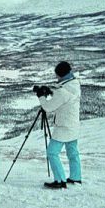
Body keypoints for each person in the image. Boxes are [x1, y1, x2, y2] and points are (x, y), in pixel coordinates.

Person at [35, 61, 82, 189]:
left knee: (52, 152)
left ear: (60, 75)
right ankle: (76, 177)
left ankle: (60, 180)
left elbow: (48, 107)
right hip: (73, 124)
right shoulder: (75, 84)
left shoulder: (63, 91)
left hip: (63, 127)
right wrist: (50, 92)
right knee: (72, 152)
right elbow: (64, 97)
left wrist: (41, 96)